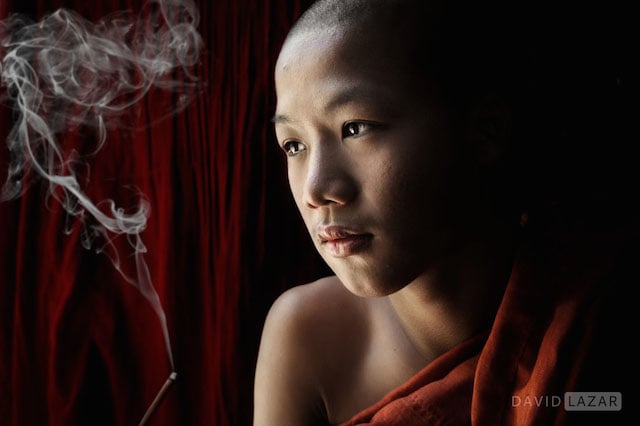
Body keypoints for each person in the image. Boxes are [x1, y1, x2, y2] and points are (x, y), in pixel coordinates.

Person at [254, 0, 633, 424]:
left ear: (484, 132)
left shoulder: (592, 309)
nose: (316, 189)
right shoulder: (307, 337)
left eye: (355, 128)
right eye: (294, 145)